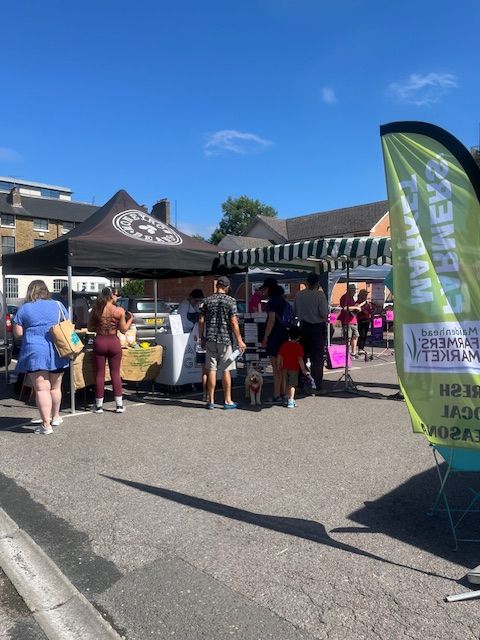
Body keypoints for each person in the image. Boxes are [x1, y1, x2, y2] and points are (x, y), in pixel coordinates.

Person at [13, 280, 69, 435]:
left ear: (31, 291)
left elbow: (18, 334)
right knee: (56, 386)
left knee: (42, 389)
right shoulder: (57, 304)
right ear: (46, 291)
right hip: (58, 349)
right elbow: (68, 324)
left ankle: (46, 425)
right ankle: (56, 416)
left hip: (35, 350)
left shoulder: (24, 309)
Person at [198, 275, 246, 410]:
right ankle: (227, 400)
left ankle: (211, 400)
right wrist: (240, 340)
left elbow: (201, 319)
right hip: (225, 339)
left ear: (217, 286)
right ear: (227, 287)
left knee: (211, 369)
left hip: (210, 338)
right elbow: (233, 321)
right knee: (226, 370)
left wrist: (201, 337)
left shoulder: (207, 300)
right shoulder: (231, 301)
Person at [87, 287, 134, 414]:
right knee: (115, 373)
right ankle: (119, 405)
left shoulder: (96, 310)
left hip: (100, 341)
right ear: (111, 296)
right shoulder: (119, 310)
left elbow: (90, 327)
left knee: (100, 374)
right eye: (116, 295)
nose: (117, 297)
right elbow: (124, 329)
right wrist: (130, 319)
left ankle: (99, 406)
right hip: (113, 341)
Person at [294, 273, 328, 392]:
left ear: (307, 282)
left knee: (301, 356)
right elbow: (324, 314)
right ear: (317, 283)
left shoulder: (299, 294)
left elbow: (296, 312)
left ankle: (301, 381)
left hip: (303, 327)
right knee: (317, 358)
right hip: (316, 328)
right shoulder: (320, 295)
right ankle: (316, 384)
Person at [261, 283, 291, 403]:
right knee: (283, 366)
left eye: (265, 288)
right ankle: (284, 393)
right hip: (284, 335)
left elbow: (271, 321)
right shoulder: (283, 301)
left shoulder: (272, 302)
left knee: (275, 367)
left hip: (274, 336)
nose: (264, 290)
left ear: (270, 288)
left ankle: (276, 394)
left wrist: (265, 337)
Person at [277, 326, 309, 408]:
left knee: (285, 382)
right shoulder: (299, 347)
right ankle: (291, 400)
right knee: (292, 384)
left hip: (284, 367)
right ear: (299, 337)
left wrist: (279, 364)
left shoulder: (284, 345)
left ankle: (285, 396)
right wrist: (303, 369)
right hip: (294, 368)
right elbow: (300, 359)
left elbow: (280, 355)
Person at [338, 283, 361, 359]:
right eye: (353, 290)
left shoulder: (351, 298)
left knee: (355, 336)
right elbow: (345, 308)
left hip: (354, 320)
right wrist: (356, 307)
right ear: (349, 290)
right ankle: (347, 354)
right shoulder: (345, 297)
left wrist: (356, 307)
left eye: (355, 290)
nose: (354, 292)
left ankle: (353, 353)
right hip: (346, 321)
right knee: (347, 338)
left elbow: (351, 308)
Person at [356, 288, 373, 355]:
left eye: (366, 295)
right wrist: (366, 312)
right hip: (361, 320)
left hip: (367, 319)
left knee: (365, 335)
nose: (366, 296)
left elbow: (369, 310)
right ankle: (360, 348)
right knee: (361, 334)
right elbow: (360, 310)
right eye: (365, 294)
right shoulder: (359, 302)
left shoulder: (367, 302)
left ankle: (362, 348)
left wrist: (371, 311)